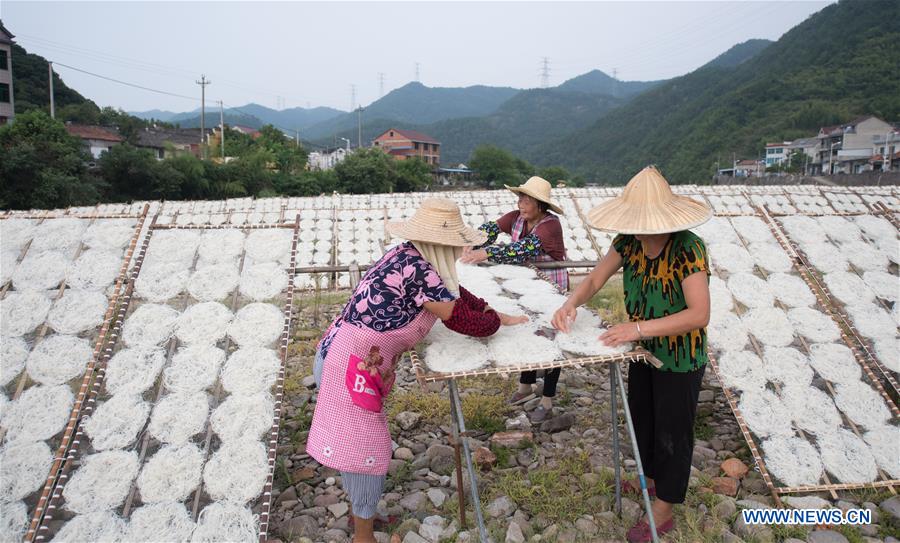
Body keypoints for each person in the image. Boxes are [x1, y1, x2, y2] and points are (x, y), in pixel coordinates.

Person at [307, 198, 528, 543]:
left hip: (341, 354)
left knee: (354, 448)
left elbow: (456, 292)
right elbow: (463, 319)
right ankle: (362, 537)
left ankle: (362, 518)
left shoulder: (407, 255)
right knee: (367, 451)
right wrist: (495, 322)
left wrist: (493, 309)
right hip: (350, 368)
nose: (457, 252)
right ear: (441, 242)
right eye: (454, 245)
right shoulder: (420, 269)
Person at [550, 166, 712, 543]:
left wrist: (637, 328)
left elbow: (698, 314)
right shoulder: (627, 242)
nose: (640, 228)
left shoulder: (688, 248)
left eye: (645, 221)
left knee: (672, 430)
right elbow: (594, 278)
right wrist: (570, 302)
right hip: (641, 351)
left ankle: (665, 508)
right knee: (643, 418)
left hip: (679, 356)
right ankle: (652, 479)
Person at [460, 176, 568, 422]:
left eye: (526, 199)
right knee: (527, 328)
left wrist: (486, 252)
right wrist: (472, 243)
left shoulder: (551, 225)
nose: (520, 203)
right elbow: (489, 230)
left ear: (540, 204)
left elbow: (523, 250)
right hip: (528, 282)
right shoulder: (515, 218)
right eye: (519, 198)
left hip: (551, 283)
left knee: (551, 334)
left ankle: (548, 398)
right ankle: (526, 385)